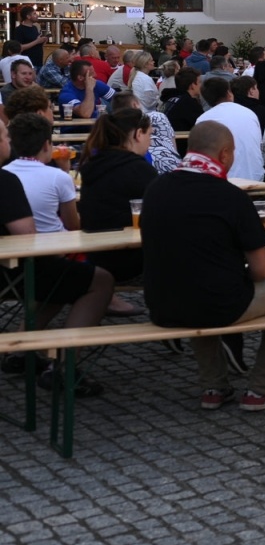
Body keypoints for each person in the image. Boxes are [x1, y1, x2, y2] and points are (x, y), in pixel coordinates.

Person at [142, 122, 265, 410]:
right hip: (219, 304)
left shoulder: (156, 188)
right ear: (225, 154)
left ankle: (214, 386)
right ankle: (263, 388)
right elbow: (261, 271)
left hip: (161, 302)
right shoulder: (231, 196)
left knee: (194, 282)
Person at [0, 119, 114, 394]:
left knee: (60, 277)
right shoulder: (5, 180)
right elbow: (28, 238)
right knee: (100, 280)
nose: (7, 141)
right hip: (12, 272)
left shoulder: (9, 173)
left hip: (11, 272)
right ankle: (64, 366)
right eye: (3, 136)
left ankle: (21, 349)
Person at [77, 108, 158, 282]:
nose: (150, 142)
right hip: (128, 257)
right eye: (149, 135)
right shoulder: (139, 169)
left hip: (95, 255)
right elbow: (161, 212)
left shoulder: (95, 164)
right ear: (138, 134)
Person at [4, 113, 81, 234]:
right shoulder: (59, 177)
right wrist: (65, 171)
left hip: (19, 245)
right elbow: (72, 225)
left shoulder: (5, 173)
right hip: (57, 246)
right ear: (46, 145)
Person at [199, 76, 264, 182]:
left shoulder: (203, 119)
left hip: (219, 180)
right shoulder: (249, 113)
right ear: (229, 93)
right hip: (255, 176)